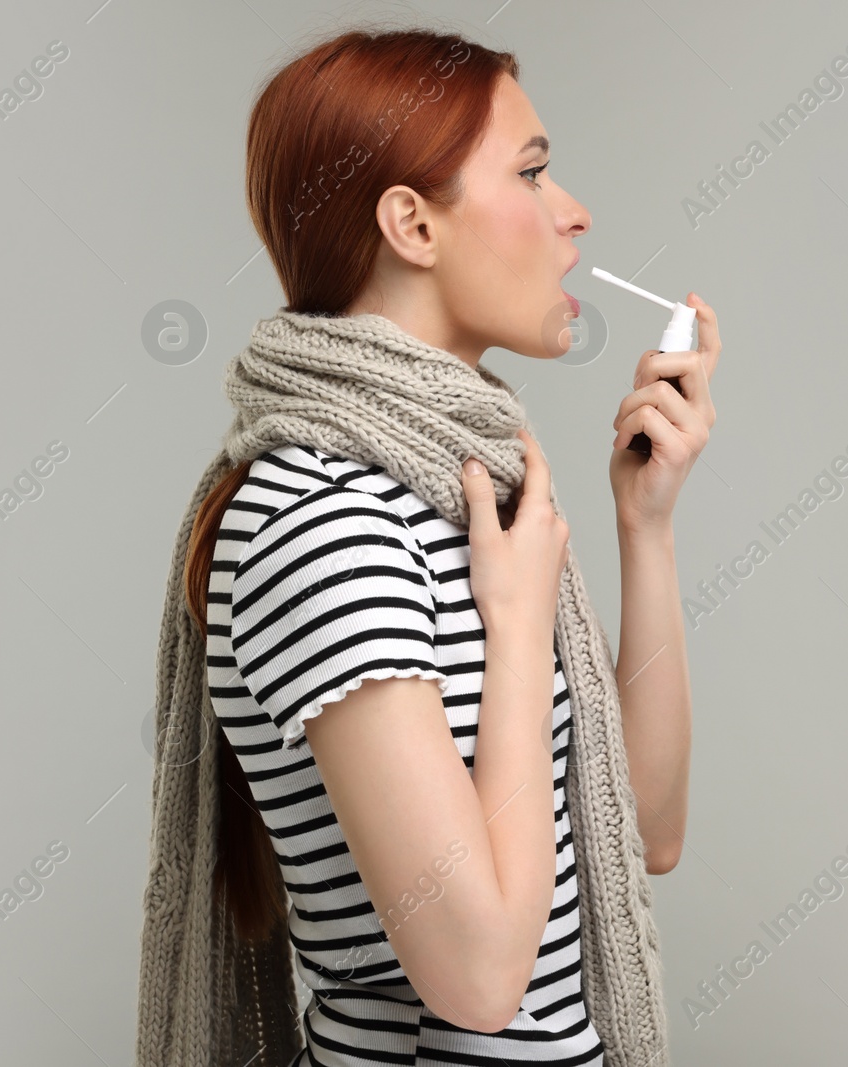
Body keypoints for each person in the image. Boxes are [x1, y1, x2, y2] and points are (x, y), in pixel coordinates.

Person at [138, 24, 721, 1067]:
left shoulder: (466, 488)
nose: (574, 213)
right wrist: (515, 625)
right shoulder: (316, 520)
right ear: (410, 223)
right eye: (533, 173)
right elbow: (482, 975)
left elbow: (648, 832)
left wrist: (645, 523)